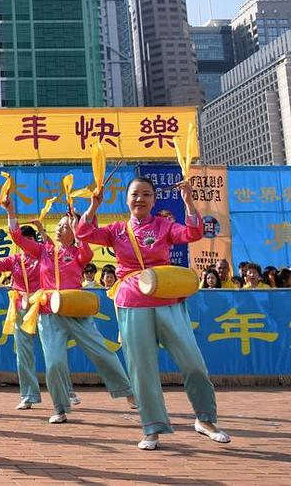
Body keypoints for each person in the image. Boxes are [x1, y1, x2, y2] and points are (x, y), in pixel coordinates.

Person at [77, 176, 229, 451]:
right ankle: (152, 427)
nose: (140, 199)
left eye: (147, 194)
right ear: (126, 199)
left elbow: (192, 234)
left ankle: (205, 420)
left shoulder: (164, 225)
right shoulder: (116, 230)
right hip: (132, 302)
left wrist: (189, 203)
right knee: (142, 369)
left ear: (154, 200)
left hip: (167, 297)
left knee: (193, 361)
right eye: (135, 194)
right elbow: (84, 234)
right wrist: (93, 207)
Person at [2, 198, 134, 424]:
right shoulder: (43, 251)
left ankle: (129, 392)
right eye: (58, 226)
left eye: (64, 226)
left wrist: (79, 227)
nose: (59, 229)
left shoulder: (79, 253)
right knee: (54, 363)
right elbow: (17, 238)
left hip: (76, 311)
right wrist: (11, 212)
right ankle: (60, 408)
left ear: (73, 231)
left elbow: (87, 251)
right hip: (48, 313)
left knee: (101, 352)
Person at [0, 223, 43, 411]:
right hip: (21, 309)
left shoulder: (43, 256)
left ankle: (65, 391)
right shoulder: (15, 260)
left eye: (29, 240)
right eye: (23, 241)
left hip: (42, 306)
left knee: (53, 351)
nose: (26, 244)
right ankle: (29, 394)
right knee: (23, 353)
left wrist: (43, 233)